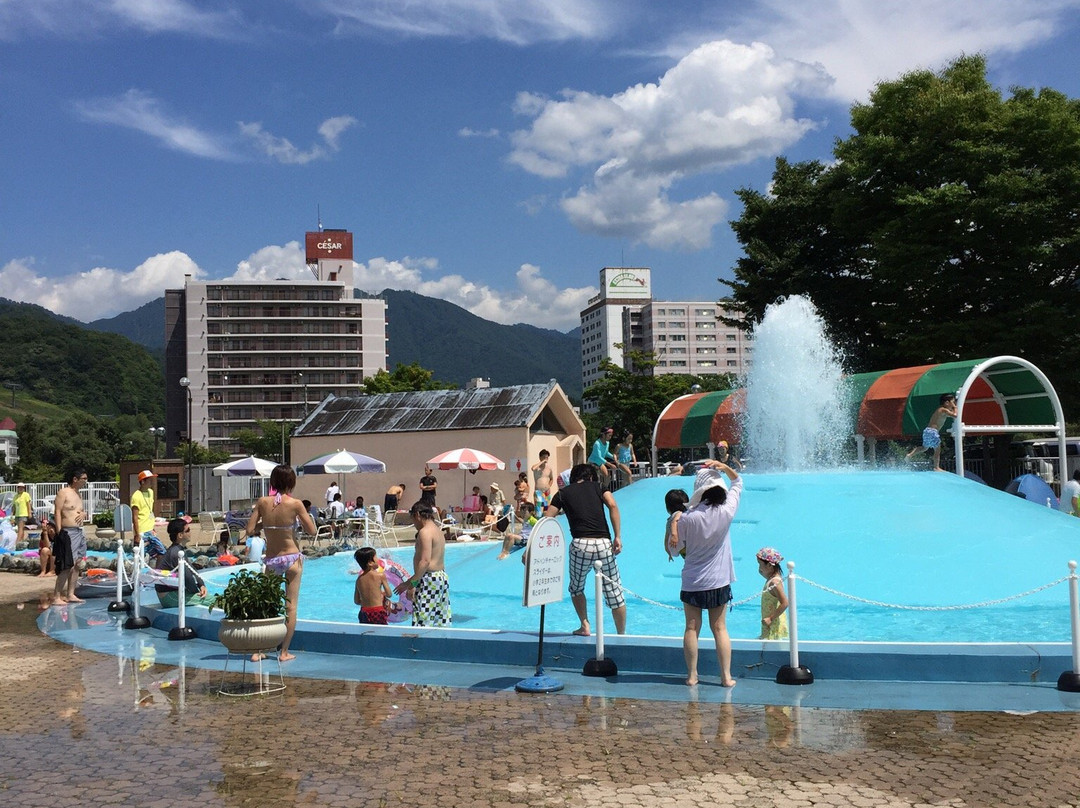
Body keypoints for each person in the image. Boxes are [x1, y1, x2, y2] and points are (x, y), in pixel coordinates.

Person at [673, 459, 742, 687]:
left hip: (692, 580)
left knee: (691, 628)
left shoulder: (688, 518)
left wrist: (672, 525)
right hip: (719, 580)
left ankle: (692, 676)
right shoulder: (727, 511)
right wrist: (724, 467)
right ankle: (726, 677)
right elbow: (738, 482)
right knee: (720, 628)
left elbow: (674, 549)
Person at [245, 465, 317, 661]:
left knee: (267, 602)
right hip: (292, 557)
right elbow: (312, 531)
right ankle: (284, 651)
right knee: (291, 606)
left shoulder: (262, 502)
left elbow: (250, 529)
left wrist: (265, 523)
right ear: (292, 483)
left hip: (272, 559)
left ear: (273, 482)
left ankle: (259, 650)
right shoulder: (295, 504)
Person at [544, 463, 625, 635]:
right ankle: (621, 635)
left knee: (576, 587)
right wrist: (617, 536)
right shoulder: (599, 487)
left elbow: (547, 519)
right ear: (591, 477)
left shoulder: (562, 493)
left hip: (580, 544)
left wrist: (531, 549)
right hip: (603, 543)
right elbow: (612, 505)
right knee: (615, 592)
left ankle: (585, 625)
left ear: (573, 478)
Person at [394, 501, 451, 627]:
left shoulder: (424, 532)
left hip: (428, 580)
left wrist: (412, 585)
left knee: (422, 620)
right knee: (439, 619)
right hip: (440, 578)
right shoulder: (438, 531)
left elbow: (425, 562)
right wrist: (407, 583)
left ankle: (420, 646)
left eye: (413, 519)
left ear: (418, 514)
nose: (414, 524)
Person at [154, 518, 215, 608]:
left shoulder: (178, 550)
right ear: (180, 535)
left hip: (173, 593)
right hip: (169, 597)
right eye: (188, 530)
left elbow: (191, 569)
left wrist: (201, 584)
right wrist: (197, 592)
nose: (190, 532)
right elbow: (188, 578)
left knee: (210, 598)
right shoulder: (176, 553)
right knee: (213, 600)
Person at [52, 468, 89, 606]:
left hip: (80, 531)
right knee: (67, 564)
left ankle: (70, 593)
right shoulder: (64, 492)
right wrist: (59, 531)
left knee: (78, 563)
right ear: (75, 479)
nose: (85, 481)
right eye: (83, 478)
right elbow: (57, 511)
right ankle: (56, 596)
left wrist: (84, 514)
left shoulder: (78, 494)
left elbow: (79, 511)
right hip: (68, 532)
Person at [906, 393, 959, 471]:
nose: (953, 404)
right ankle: (936, 467)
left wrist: (953, 408)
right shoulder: (943, 410)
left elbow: (950, 414)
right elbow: (955, 415)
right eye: (953, 402)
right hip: (933, 431)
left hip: (927, 431)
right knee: (937, 449)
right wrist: (955, 407)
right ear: (947, 403)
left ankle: (909, 455)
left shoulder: (941, 410)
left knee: (924, 448)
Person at [131, 470, 166, 566]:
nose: (151, 482)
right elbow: (134, 517)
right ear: (142, 482)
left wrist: (152, 526)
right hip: (142, 531)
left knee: (161, 551)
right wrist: (137, 535)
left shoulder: (151, 492)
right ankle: (138, 575)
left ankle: (157, 572)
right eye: (149, 480)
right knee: (140, 556)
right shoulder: (136, 496)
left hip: (150, 530)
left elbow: (149, 511)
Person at [353, 547, 393, 624]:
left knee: (366, 633)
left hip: (364, 613)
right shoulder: (380, 576)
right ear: (370, 563)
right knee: (380, 633)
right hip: (378, 612)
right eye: (376, 557)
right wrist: (382, 594)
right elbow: (389, 594)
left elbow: (357, 601)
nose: (378, 559)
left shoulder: (359, 580)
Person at [756, 547, 789, 640]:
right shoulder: (771, 579)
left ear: (770, 566)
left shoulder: (774, 583)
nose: (759, 568)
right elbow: (764, 573)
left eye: (760, 564)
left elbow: (785, 603)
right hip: (769, 623)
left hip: (773, 623)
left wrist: (770, 618)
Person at [663, 488, 689, 561]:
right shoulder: (678, 514)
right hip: (684, 546)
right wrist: (674, 535)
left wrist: (668, 551)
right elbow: (674, 521)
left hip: (680, 549)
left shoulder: (671, 518)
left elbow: (666, 538)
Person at [531, 449, 555, 514]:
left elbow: (551, 479)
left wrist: (549, 486)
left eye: (547, 458)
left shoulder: (549, 468)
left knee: (546, 510)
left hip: (546, 492)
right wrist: (542, 462)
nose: (546, 459)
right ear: (540, 457)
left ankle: (546, 523)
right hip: (538, 492)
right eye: (544, 457)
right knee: (538, 510)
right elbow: (533, 468)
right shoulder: (536, 468)